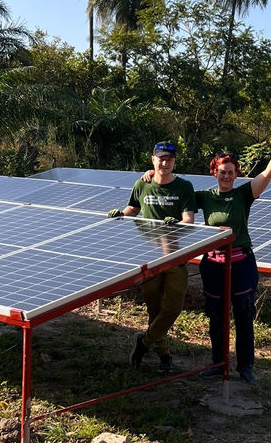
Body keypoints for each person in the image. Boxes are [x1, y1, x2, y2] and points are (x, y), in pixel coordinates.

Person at [196, 125, 271, 385]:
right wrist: (149, 175)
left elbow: (268, 172)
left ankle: (245, 366)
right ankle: (218, 363)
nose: (226, 176)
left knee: (243, 315)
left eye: (231, 172)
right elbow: (175, 194)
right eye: (222, 172)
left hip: (242, 263)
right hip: (213, 265)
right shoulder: (205, 197)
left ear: (236, 174)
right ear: (214, 173)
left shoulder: (244, 194)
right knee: (216, 317)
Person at [107, 141, 196, 373]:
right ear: (153, 159)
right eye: (161, 158)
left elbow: (189, 220)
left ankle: (144, 342)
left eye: (169, 159)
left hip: (175, 255)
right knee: (153, 309)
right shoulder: (142, 185)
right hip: (148, 255)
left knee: (173, 308)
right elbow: (133, 209)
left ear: (174, 162)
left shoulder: (184, 187)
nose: (165, 163)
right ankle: (164, 356)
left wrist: (177, 224)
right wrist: (120, 214)